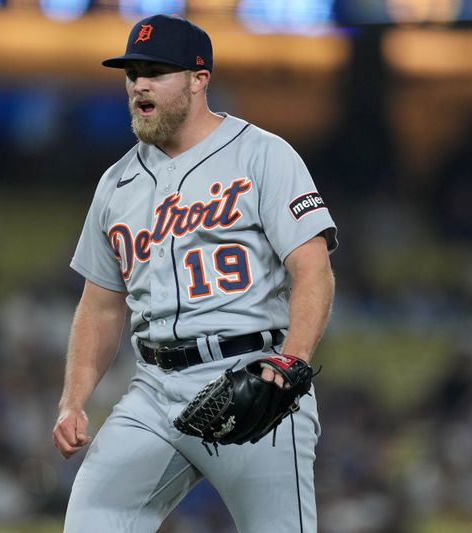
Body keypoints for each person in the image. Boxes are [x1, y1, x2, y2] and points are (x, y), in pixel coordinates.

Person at [52, 13, 337, 533]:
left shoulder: (262, 154)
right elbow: (99, 305)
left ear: (198, 78)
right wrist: (73, 400)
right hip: (155, 389)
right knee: (91, 521)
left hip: (254, 375)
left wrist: (290, 363)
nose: (139, 83)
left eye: (156, 70)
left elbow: (313, 268)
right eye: (131, 72)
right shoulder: (115, 184)